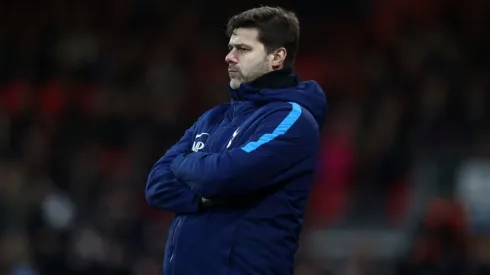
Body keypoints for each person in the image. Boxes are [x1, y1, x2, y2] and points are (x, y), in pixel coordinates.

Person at [145, 6, 327, 275]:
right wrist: (202, 197)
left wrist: (186, 162)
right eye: (230, 47)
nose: (229, 57)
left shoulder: (293, 119)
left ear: (276, 57)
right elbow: (156, 186)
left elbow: (222, 175)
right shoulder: (213, 118)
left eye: (243, 49)